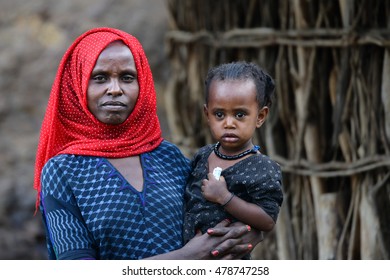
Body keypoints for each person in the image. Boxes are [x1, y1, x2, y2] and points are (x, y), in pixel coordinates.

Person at [33, 27, 261, 260]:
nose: (115, 89)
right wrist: (188, 256)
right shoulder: (63, 171)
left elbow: (222, 225)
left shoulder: (168, 157)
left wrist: (243, 235)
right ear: (76, 85)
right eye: (99, 78)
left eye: (127, 77)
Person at [183, 62, 284, 258]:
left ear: (260, 116)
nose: (229, 123)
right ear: (207, 114)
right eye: (219, 114)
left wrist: (225, 198)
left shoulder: (262, 168)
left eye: (240, 114)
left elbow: (267, 220)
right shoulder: (202, 155)